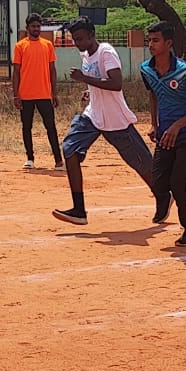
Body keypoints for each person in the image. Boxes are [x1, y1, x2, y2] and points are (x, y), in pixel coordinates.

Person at [50, 17, 155, 226]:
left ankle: (164, 194)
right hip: (93, 116)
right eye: (75, 39)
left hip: (115, 119)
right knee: (69, 149)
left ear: (92, 35)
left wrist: (85, 79)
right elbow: (97, 80)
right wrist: (89, 91)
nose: (78, 43)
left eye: (80, 39)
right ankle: (79, 210)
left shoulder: (106, 52)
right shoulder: (86, 54)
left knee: (142, 163)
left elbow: (116, 84)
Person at [140, 21, 186, 247]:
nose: (151, 44)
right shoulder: (146, 69)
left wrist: (178, 125)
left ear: (168, 43)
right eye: (149, 40)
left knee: (177, 184)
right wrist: (154, 123)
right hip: (165, 131)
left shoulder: (185, 71)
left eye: (156, 40)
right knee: (160, 184)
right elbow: (153, 94)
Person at [11, 13, 63, 169]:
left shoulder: (47, 45)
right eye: (33, 26)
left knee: (51, 127)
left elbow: (52, 70)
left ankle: (58, 160)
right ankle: (30, 158)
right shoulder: (20, 46)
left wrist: (54, 93)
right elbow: (16, 72)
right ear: (27, 28)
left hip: (44, 94)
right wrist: (16, 95)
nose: (36, 29)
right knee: (26, 127)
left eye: (38, 26)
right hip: (25, 94)